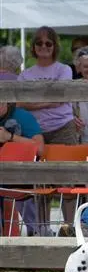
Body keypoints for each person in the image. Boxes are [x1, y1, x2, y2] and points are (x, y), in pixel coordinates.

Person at [17, 26, 78, 234]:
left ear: (54, 46)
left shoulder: (64, 69)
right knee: (40, 182)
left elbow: (60, 97)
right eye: (39, 43)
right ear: (33, 47)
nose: (43, 47)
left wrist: (33, 102)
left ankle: (69, 227)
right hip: (36, 132)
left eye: (48, 43)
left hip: (63, 128)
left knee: (67, 179)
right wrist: (47, 101)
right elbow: (19, 103)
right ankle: (42, 230)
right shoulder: (25, 74)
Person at [0, 100, 45, 236]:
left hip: (21, 175)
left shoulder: (22, 116)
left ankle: (33, 231)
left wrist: (10, 137)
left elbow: (40, 148)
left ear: (7, 102)